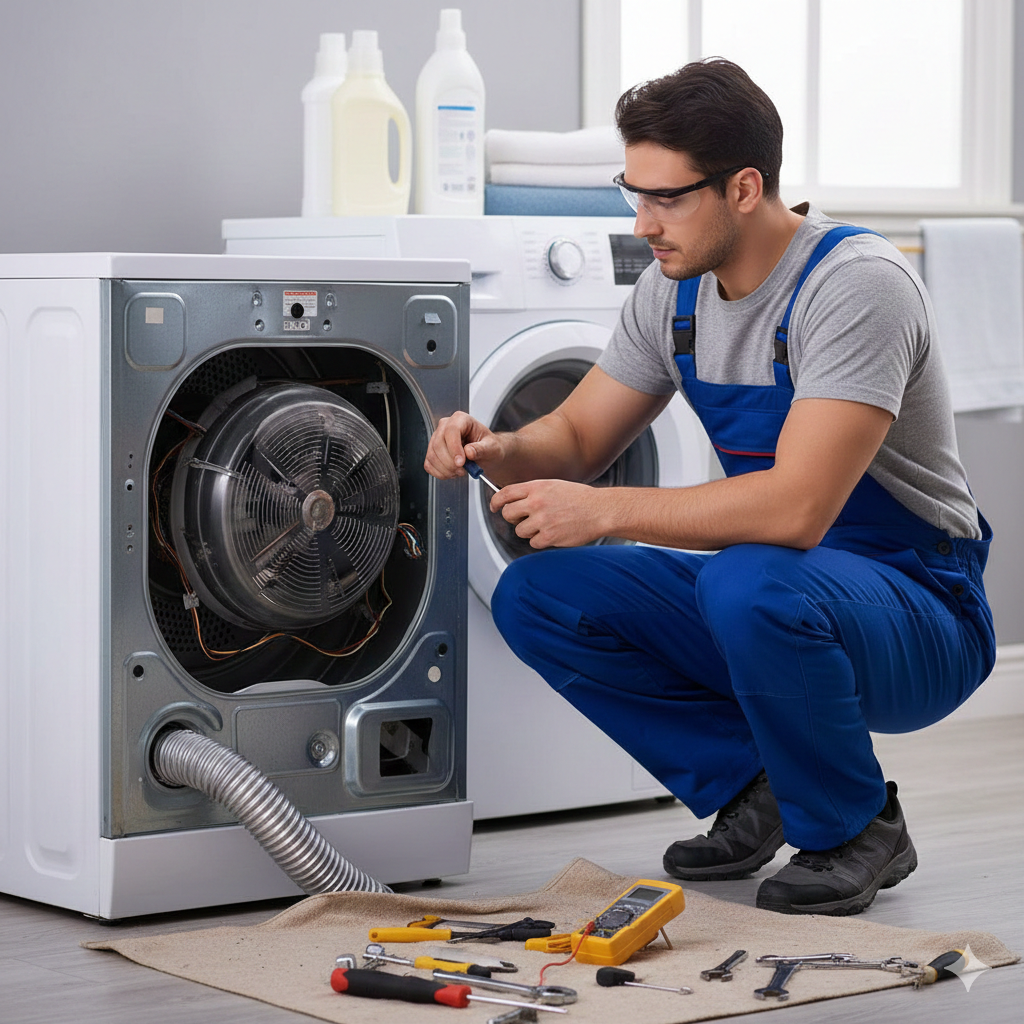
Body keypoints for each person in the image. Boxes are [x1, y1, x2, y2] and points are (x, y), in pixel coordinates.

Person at [424, 58, 995, 916]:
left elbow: (798, 509)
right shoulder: (673, 291)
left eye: (668, 197)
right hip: (780, 588)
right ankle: (753, 784)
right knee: (539, 594)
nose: (644, 222)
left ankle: (859, 828)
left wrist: (607, 509)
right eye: (633, 192)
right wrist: (496, 445)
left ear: (743, 188)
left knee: (748, 575)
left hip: (919, 606)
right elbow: (576, 437)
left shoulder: (854, 285)